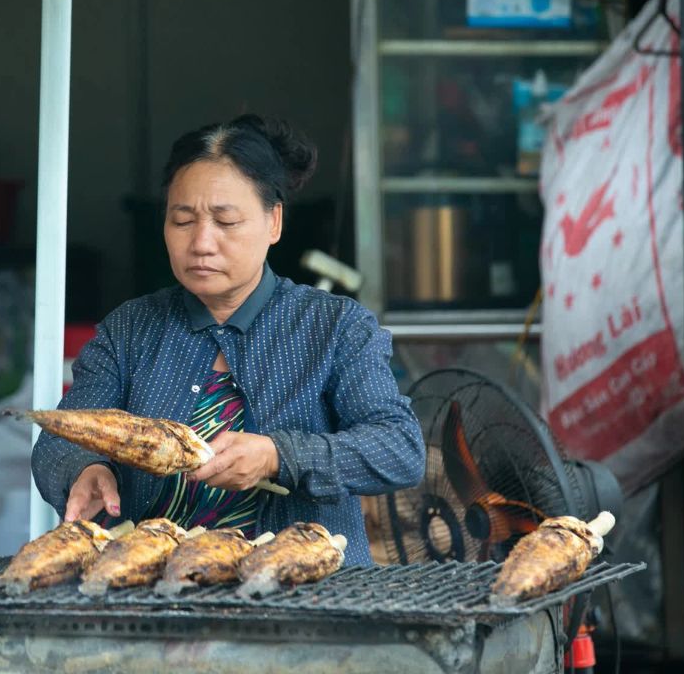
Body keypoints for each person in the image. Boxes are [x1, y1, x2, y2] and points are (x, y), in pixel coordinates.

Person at [31, 114, 425, 566]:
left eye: (225, 221)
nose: (201, 242)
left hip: (307, 597)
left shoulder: (336, 327)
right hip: (149, 587)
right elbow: (61, 437)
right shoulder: (130, 330)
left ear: (273, 221)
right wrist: (86, 468)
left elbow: (400, 448)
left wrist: (279, 456)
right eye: (182, 221)